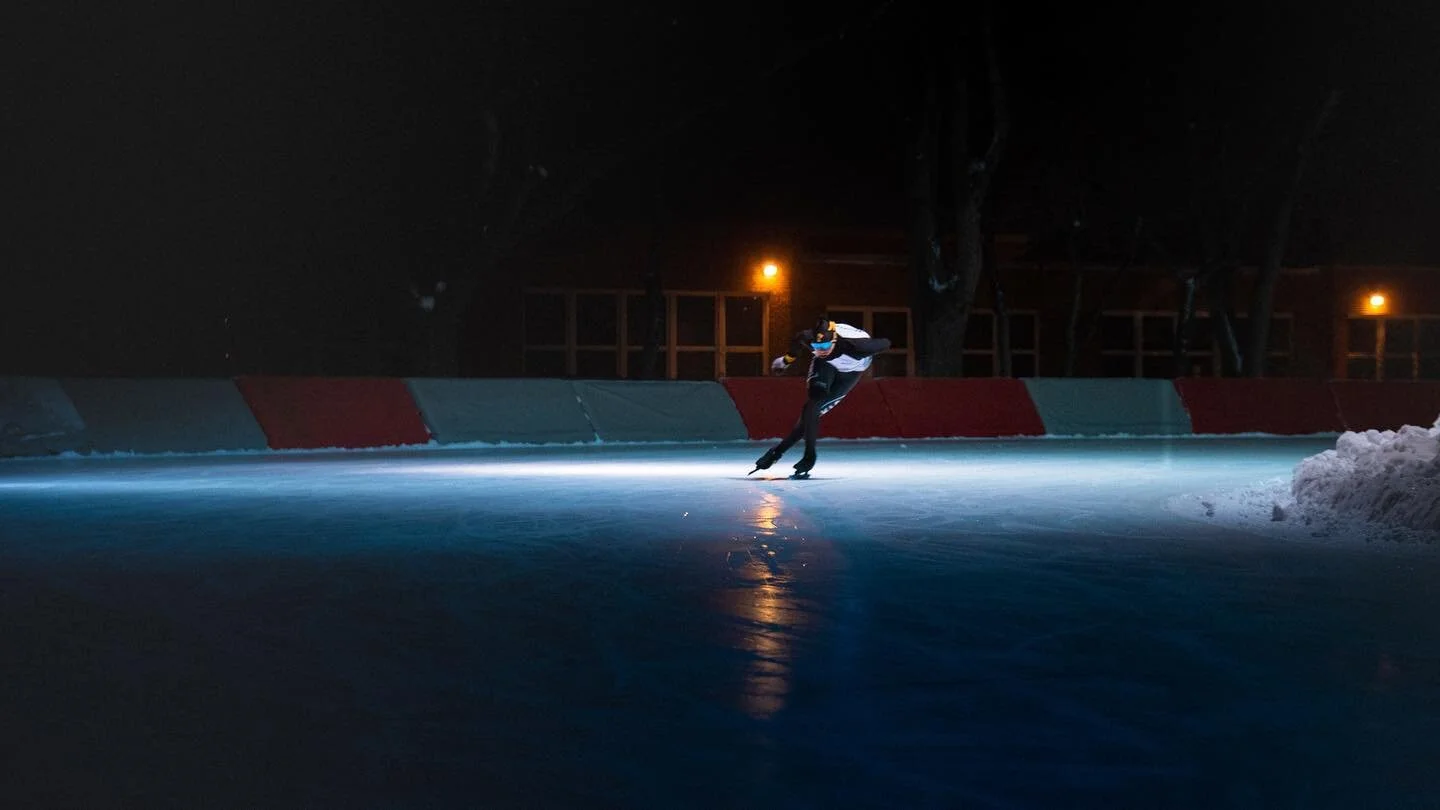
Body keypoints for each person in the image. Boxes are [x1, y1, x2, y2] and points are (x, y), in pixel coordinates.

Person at [750, 315, 891, 477]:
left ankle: (789, 453)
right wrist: (786, 360)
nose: (821, 350)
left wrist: (877, 355)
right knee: (812, 406)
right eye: (817, 346)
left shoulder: (858, 347)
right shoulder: (810, 339)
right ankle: (804, 454)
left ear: (834, 340)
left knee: (813, 412)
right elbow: (798, 339)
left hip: (852, 371)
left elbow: (886, 342)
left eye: (825, 346)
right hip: (826, 365)